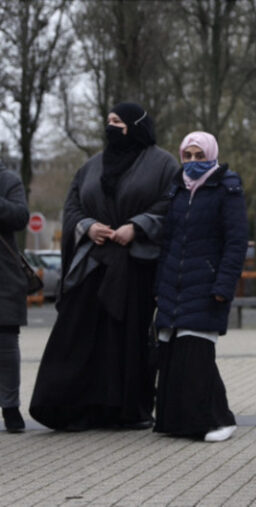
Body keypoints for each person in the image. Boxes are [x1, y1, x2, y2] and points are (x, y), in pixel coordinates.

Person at [29, 103, 177, 431]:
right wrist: (87, 226)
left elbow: (172, 203)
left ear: (136, 126)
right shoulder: (91, 166)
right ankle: (69, 407)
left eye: (118, 122)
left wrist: (136, 226)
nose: (111, 127)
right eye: (108, 121)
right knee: (76, 334)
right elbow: (72, 206)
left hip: (135, 267)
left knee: (127, 341)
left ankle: (125, 411)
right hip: (92, 266)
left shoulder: (163, 163)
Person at [153, 131, 247, 442]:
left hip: (206, 285)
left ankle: (218, 420)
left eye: (200, 155)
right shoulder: (176, 189)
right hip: (173, 288)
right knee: (172, 355)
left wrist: (223, 285)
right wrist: (159, 284)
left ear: (212, 155)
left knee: (197, 357)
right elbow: (168, 241)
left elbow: (235, 243)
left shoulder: (228, 188)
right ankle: (176, 422)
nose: (193, 162)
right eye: (188, 156)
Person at [0, 159, 30, 433]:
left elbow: (21, 217)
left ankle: (10, 407)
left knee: (6, 344)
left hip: (3, 275)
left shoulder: (8, 180)